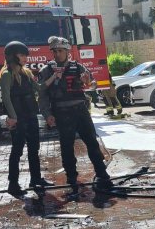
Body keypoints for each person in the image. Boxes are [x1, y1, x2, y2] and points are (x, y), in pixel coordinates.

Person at [38, 36, 113, 198]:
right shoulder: (47, 71)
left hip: (80, 111)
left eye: (60, 51)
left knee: (92, 142)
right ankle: (72, 179)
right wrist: (47, 114)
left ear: (67, 51)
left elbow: (93, 84)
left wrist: (88, 83)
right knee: (66, 147)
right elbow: (42, 95)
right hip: (61, 113)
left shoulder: (78, 67)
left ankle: (102, 174)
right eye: (55, 51)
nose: (57, 54)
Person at [0, 41, 55, 198]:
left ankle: (36, 179)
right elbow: (6, 97)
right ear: (12, 56)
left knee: (34, 149)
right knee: (17, 151)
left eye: (25, 55)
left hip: (31, 116)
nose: (25, 58)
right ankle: (13, 184)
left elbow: (40, 87)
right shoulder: (6, 74)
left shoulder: (27, 73)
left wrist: (55, 76)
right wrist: (13, 117)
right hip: (19, 118)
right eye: (22, 55)